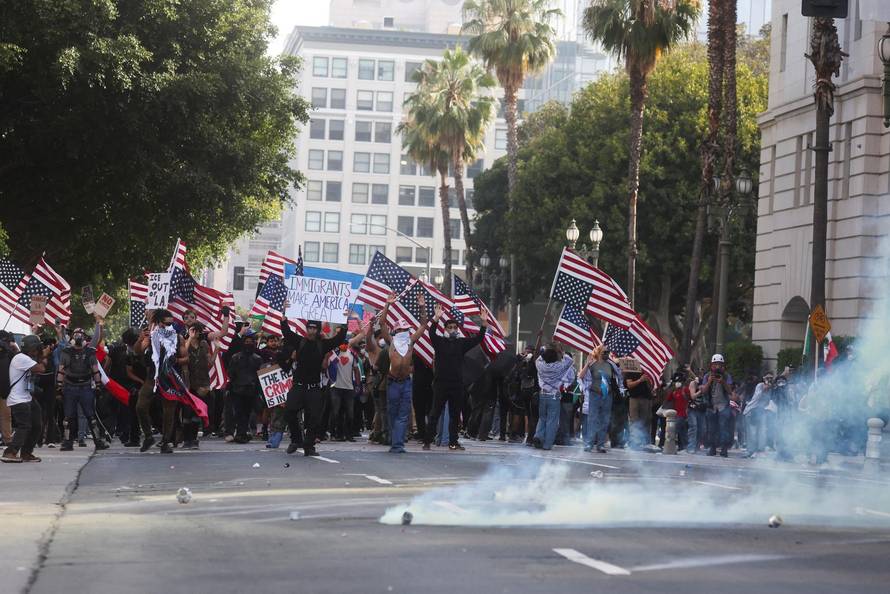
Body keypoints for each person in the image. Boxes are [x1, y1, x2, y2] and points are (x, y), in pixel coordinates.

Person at [364, 293, 429, 452]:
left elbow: (423, 325)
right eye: (400, 329)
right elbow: (382, 322)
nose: (403, 331)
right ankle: (394, 442)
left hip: (406, 382)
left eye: (405, 329)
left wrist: (422, 306)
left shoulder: (411, 341)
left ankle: (398, 444)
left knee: (403, 414)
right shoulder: (391, 342)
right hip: (392, 383)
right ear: (395, 331)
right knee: (393, 414)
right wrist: (387, 304)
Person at [424, 301, 488, 451]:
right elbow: (431, 333)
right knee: (435, 413)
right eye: (450, 327)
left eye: (454, 327)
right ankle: (427, 441)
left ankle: (453, 442)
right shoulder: (439, 341)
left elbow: (478, 338)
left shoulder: (462, 343)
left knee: (454, 414)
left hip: (457, 384)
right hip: (440, 383)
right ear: (445, 329)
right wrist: (436, 318)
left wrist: (484, 322)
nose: (452, 329)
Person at [280, 317, 347, 456]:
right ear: (306, 329)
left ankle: (309, 445)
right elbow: (287, 333)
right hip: (298, 386)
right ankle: (296, 439)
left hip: (314, 388)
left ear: (318, 330)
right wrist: (283, 319)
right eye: (309, 328)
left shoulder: (322, 344)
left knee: (315, 417)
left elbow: (338, 340)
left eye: (314, 328)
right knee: (289, 412)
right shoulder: (300, 341)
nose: (311, 331)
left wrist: (343, 322)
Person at [56, 326, 109, 451]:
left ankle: (97, 441)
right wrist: (58, 386)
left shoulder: (90, 352)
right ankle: (68, 442)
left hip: (85, 386)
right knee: (68, 417)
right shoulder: (66, 352)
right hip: (70, 386)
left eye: (80, 334)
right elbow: (61, 370)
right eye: (76, 334)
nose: (78, 336)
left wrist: (98, 386)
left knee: (91, 416)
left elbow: (95, 370)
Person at [2, 335, 46, 463]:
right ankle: (10, 452)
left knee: (37, 425)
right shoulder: (21, 358)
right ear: (32, 348)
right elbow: (41, 369)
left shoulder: (25, 358)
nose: (38, 350)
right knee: (24, 426)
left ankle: (26, 453)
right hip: (18, 399)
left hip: (26, 398)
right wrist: (43, 355)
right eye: (37, 348)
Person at [532, 339, 574, 450]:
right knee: (552, 421)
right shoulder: (560, 366)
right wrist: (560, 350)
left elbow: (539, 357)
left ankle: (538, 435)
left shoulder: (540, 365)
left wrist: (549, 350)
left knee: (542, 418)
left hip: (542, 394)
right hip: (554, 395)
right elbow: (569, 360)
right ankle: (547, 444)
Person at [227, 329, 263, 443]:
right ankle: (240, 433)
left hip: (251, 390)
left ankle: (242, 433)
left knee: (247, 412)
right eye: (246, 341)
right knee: (238, 412)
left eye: (250, 341)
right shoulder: (235, 357)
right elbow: (231, 373)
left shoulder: (258, 359)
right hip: (237, 390)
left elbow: (259, 376)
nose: (248, 343)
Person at [579, 345, 615, 453]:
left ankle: (600, 444)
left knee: (604, 420)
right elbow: (581, 376)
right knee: (592, 420)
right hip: (595, 395)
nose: (607, 354)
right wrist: (587, 364)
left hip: (607, 395)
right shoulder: (592, 365)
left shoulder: (610, 365)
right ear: (599, 353)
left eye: (608, 352)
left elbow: (617, 377)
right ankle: (589, 443)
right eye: (604, 352)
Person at [700, 353, 735, 457]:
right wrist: (709, 381)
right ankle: (712, 448)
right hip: (711, 406)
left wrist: (723, 382)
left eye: (719, 365)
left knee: (724, 428)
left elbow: (730, 392)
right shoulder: (707, 376)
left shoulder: (727, 376)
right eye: (715, 365)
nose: (717, 367)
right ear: (711, 365)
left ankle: (724, 448)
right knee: (711, 429)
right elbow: (704, 391)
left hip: (723, 406)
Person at [624, 362, 653, 450]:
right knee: (634, 421)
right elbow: (629, 385)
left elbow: (652, 386)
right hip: (634, 398)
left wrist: (648, 380)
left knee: (645, 420)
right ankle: (634, 442)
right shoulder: (631, 371)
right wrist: (640, 380)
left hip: (646, 398)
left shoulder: (647, 371)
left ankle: (644, 442)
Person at [662, 370, 691, 451]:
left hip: (683, 414)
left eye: (679, 381)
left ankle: (675, 446)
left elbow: (690, 398)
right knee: (682, 432)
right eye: (676, 381)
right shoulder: (674, 391)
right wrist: (671, 388)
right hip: (675, 414)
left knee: (676, 430)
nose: (677, 383)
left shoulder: (685, 390)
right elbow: (668, 399)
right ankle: (683, 447)